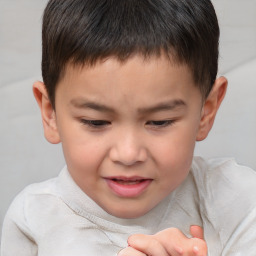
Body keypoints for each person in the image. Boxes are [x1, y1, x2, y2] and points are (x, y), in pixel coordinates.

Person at [1, 0, 256, 255]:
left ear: (206, 111)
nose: (128, 154)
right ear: (50, 113)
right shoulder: (32, 220)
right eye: (95, 122)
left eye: (160, 121)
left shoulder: (237, 202)